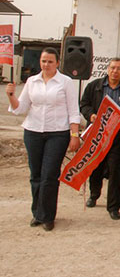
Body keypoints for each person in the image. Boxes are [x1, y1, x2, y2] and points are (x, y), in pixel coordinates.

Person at [6, 47, 80, 231]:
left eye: (50, 61)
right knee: (36, 175)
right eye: (43, 61)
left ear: (57, 63)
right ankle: (37, 213)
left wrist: (74, 135)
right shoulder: (32, 81)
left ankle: (48, 216)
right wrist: (11, 95)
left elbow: (73, 111)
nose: (46, 65)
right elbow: (21, 108)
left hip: (57, 133)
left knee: (49, 175)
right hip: (33, 132)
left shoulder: (65, 82)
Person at [80, 57, 120, 220]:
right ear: (107, 69)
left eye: (119, 69)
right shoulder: (94, 86)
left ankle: (113, 206)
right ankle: (94, 194)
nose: (115, 71)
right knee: (95, 169)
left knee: (115, 172)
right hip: (97, 136)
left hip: (116, 137)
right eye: (112, 68)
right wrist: (91, 115)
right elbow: (83, 104)